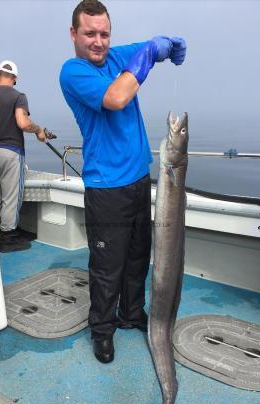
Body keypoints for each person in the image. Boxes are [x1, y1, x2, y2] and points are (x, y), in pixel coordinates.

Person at [59, 0, 186, 363]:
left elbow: (147, 48)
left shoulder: (117, 57)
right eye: (90, 34)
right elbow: (117, 97)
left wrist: (164, 46)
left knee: (136, 256)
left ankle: (132, 313)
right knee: (106, 266)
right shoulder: (73, 71)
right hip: (106, 187)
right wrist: (148, 58)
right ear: (74, 34)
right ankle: (102, 329)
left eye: (104, 34)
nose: (99, 42)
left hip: (138, 179)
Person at [0, 60, 48, 252]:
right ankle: (7, 238)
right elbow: (23, 123)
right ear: (15, 78)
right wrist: (39, 129)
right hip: (11, 151)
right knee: (10, 197)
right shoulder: (19, 96)